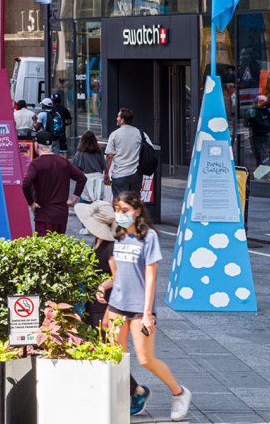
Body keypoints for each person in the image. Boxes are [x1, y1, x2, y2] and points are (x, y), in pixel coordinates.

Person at [96, 191, 191, 421]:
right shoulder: (117, 236)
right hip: (118, 305)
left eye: (125, 211)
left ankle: (179, 393)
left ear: (137, 211)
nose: (121, 215)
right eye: (118, 210)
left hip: (140, 308)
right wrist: (105, 294)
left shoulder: (148, 238)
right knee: (116, 357)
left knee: (146, 358)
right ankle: (122, 401)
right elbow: (117, 276)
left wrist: (148, 313)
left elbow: (150, 277)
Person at [75, 200, 151, 417]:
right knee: (97, 347)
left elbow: (118, 276)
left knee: (110, 349)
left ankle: (136, 390)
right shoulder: (97, 240)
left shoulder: (111, 247)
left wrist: (102, 285)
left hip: (108, 304)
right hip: (94, 302)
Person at [21, 131, 86, 235]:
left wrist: (31, 203)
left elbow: (26, 184)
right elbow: (82, 178)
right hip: (61, 214)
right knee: (58, 248)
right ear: (51, 146)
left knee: (44, 249)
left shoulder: (36, 164)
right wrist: (73, 199)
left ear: (37, 145)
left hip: (44, 214)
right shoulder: (64, 162)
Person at [104, 107, 144, 198]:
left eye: (118, 116)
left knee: (120, 203)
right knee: (134, 202)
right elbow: (151, 148)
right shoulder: (140, 133)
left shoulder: (114, 134)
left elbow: (109, 156)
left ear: (122, 120)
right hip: (135, 175)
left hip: (120, 175)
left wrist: (106, 173)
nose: (116, 118)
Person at [72, 130, 107, 204]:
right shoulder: (99, 151)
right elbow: (104, 166)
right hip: (98, 179)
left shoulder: (79, 152)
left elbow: (75, 168)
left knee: (84, 203)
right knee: (98, 203)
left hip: (86, 179)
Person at [246, 94, 270, 168]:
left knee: (258, 154)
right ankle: (264, 168)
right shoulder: (269, 111)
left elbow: (246, 124)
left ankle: (260, 168)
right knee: (266, 153)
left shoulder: (251, 111)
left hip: (256, 135)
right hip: (267, 134)